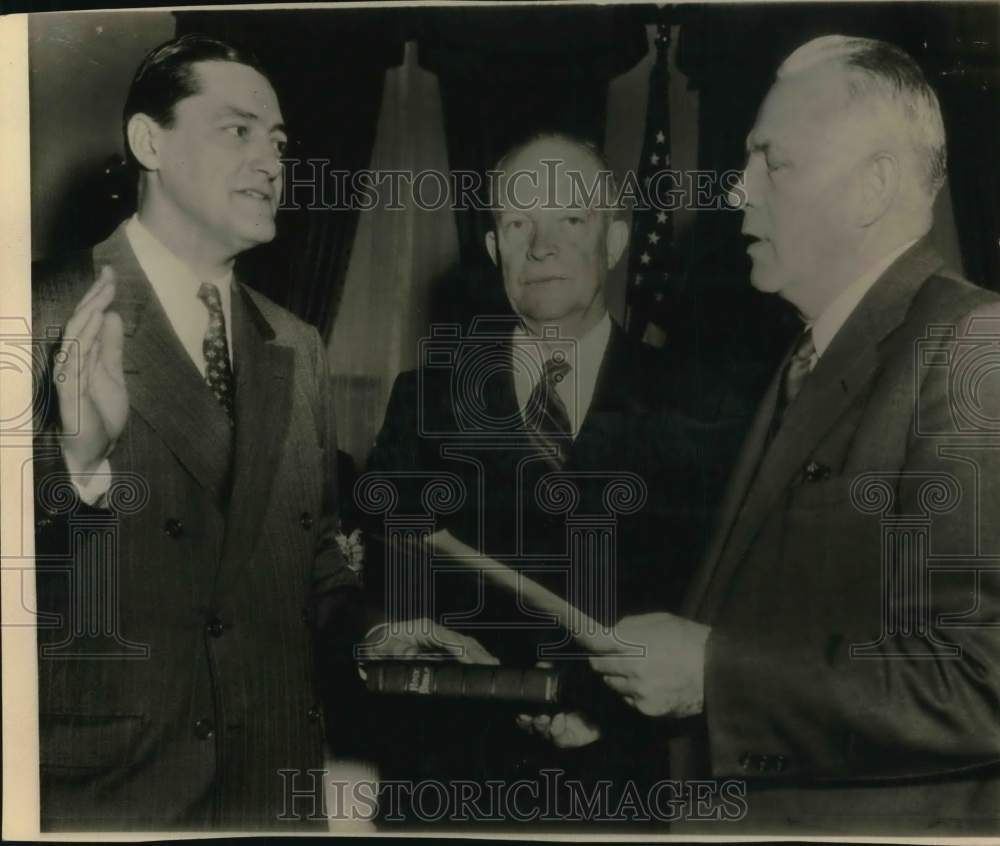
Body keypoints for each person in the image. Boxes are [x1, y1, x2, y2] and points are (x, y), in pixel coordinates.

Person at [577, 35, 1000, 834]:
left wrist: (712, 675)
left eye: (775, 162)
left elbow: (981, 681)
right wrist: (633, 703)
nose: (739, 191)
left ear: (872, 186)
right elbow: (779, 615)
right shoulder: (811, 353)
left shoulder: (971, 346)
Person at [32, 34, 360, 830]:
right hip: (110, 797)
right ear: (150, 142)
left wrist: (388, 628)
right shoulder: (37, 313)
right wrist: (76, 463)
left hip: (272, 790)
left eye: (278, 141)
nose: (271, 162)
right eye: (237, 130)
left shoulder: (298, 345)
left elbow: (315, 566)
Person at [360, 133, 723, 825]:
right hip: (452, 787)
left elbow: (711, 602)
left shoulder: (702, 407)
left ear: (615, 242)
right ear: (495, 249)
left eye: (571, 221)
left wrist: (602, 710)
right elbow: (381, 587)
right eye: (519, 223)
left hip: (627, 788)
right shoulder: (426, 399)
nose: (542, 245)